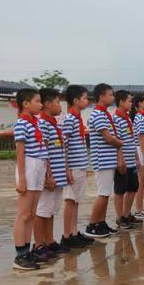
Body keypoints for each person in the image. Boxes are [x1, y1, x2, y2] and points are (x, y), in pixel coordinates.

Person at [32, 88, 70, 261]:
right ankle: (38, 244)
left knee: (51, 210)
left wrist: (65, 171)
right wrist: (48, 176)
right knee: (42, 210)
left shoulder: (54, 123)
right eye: (56, 102)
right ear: (47, 104)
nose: (59, 105)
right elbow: (44, 151)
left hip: (58, 175)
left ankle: (49, 240)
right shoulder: (43, 124)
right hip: (50, 176)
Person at [13, 88, 46, 270]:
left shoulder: (36, 123)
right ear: (26, 104)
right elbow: (20, 151)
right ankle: (20, 255)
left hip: (39, 165)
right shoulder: (21, 123)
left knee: (32, 214)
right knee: (23, 214)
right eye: (37, 101)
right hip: (29, 166)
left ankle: (27, 250)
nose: (40, 105)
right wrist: (22, 178)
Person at [85, 83, 123, 238]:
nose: (113, 98)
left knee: (106, 193)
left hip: (109, 159)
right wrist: (121, 143)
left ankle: (101, 223)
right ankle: (92, 225)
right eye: (110, 95)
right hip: (102, 159)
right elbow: (107, 138)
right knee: (103, 193)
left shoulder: (104, 114)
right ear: (101, 96)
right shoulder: (98, 115)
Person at [61, 85, 94, 249]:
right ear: (75, 100)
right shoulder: (69, 119)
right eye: (85, 98)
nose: (87, 101)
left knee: (76, 201)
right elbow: (64, 145)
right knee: (70, 200)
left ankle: (74, 232)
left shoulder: (77, 118)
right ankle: (66, 235)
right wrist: (66, 169)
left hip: (80, 166)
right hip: (72, 167)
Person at [112, 90, 139, 230]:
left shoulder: (127, 118)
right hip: (122, 161)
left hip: (131, 160)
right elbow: (117, 142)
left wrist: (136, 157)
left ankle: (127, 214)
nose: (131, 103)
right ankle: (119, 217)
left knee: (133, 187)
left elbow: (132, 140)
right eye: (129, 100)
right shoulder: (115, 119)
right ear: (121, 102)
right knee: (120, 190)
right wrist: (119, 160)